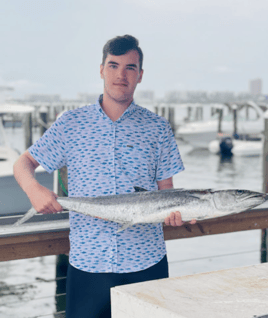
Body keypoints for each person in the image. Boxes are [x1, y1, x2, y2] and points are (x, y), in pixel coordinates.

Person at [13, 35, 195, 318]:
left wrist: (175, 215)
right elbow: (23, 163)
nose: (121, 75)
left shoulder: (158, 128)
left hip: (146, 263)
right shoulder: (70, 125)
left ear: (140, 75)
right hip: (88, 265)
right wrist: (33, 189)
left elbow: (168, 190)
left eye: (130, 68)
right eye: (113, 65)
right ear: (101, 70)